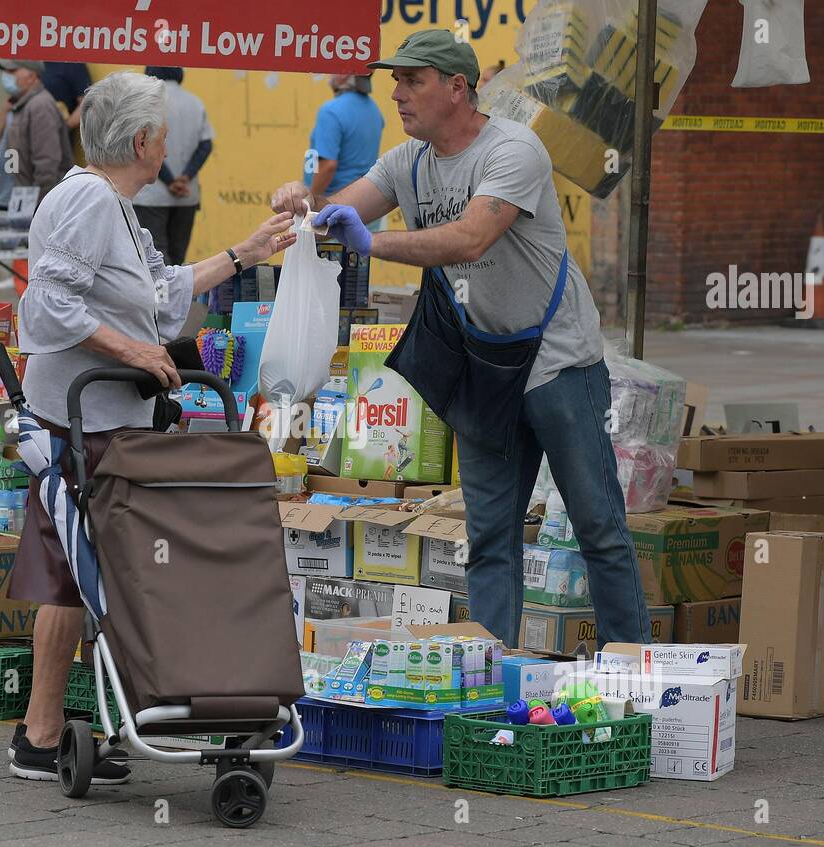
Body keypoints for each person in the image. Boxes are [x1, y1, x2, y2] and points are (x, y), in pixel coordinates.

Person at [272, 29, 649, 650]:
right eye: (395, 80)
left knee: (598, 529)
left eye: (412, 80)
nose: (397, 94)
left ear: (457, 88)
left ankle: (633, 671)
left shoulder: (515, 151)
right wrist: (302, 206)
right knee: (489, 540)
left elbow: (470, 237)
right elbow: (337, 214)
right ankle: (488, 683)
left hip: (558, 365)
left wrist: (375, 242)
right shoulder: (406, 163)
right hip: (483, 370)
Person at [6, 71, 297, 782]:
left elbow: (160, 297)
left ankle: (58, 730)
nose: (170, 142)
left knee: (84, 574)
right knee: (71, 573)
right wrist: (132, 350)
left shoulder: (116, 206)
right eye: (164, 132)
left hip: (108, 415)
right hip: (81, 416)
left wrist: (246, 252)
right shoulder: (88, 200)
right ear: (141, 141)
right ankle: (39, 735)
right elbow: (48, 305)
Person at [131, 67, 213, 266]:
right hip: (187, 195)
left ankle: (161, 297)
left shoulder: (147, 104)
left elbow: (143, 145)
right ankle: (172, 295)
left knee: (153, 256)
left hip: (152, 195)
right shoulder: (195, 102)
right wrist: (185, 177)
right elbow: (205, 145)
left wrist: (169, 180)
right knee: (176, 258)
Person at [0, 60, 73, 204]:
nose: (5, 76)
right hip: (15, 202)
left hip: (28, 206)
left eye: (12, 72)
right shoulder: (21, 104)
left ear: (32, 76)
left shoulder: (40, 106)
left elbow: (47, 164)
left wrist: (36, 207)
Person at [304, 73, 385, 204]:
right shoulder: (374, 109)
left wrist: (311, 201)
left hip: (333, 207)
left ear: (344, 74)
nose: (329, 75)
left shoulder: (330, 111)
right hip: (366, 205)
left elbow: (328, 165)